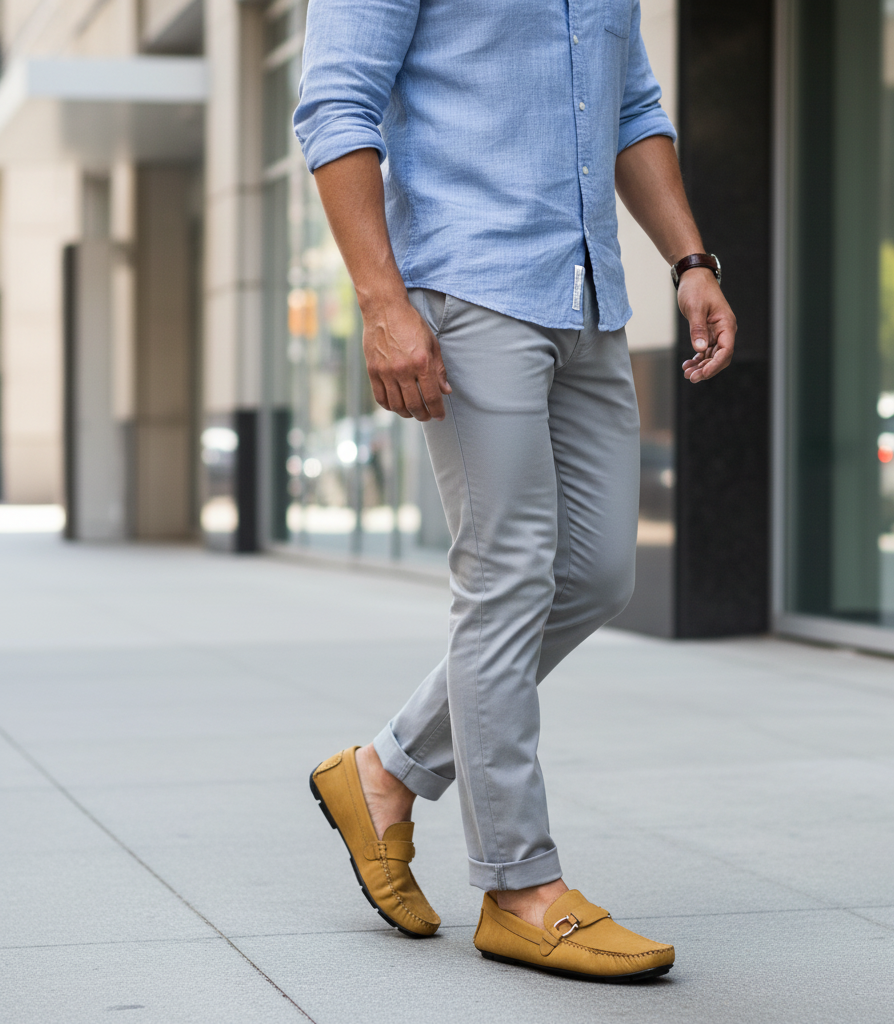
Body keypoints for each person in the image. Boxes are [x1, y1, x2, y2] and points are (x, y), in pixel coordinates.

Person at [294, 0, 736, 982]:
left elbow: (632, 109)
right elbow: (336, 107)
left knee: (596, 574)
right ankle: (520, 886)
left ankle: (383, 772)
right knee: (505, 576)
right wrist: (382, 301)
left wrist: (689, 260)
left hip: (588, 296)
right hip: (466, 283)